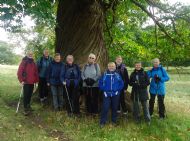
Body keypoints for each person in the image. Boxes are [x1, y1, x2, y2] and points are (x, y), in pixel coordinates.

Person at [99, 62, 124, 127]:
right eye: (110, 66)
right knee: (105, 107)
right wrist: (104, 90)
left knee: (114, 108)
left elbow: (121, 84)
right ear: (108, 67)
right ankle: (103, 122)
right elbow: (100, 83)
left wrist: (117, 90)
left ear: (115, 67)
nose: (111, 67)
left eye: (113, 66)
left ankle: (114, 121)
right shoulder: (104, 74)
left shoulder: (117, 74)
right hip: (106, 94)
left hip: (115, 94)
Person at [17, 51, 39, 115]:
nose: (31, 55)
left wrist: (37, 80)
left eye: (31, 54)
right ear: (27, 55)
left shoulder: (33, 62)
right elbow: (19, 72)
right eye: (29, 54)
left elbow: (36, 72)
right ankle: (25, 109)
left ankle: (28, 106)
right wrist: (21, 80)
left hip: (32, 82)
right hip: (26, 82)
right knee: (26, 95)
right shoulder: (24, 62)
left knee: (30, 95)